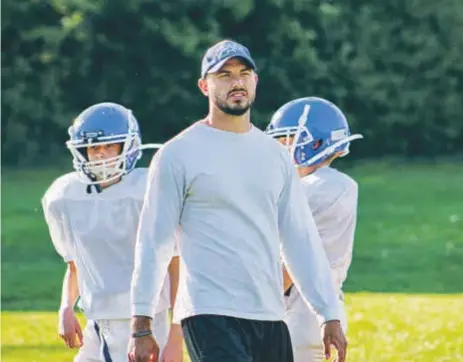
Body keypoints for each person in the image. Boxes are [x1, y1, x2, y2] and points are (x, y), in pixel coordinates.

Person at [128, 40, 347, 362]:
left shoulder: (276, 156)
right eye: (225, 75)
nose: (237, 82)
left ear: (255, 81)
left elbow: (300, 240)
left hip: (270, 315)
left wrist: (328, 313)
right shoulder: (178, 154)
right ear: (205, 85)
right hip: (208, 311)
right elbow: (154, 241)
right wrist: (141, 325)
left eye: (244, 73)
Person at [41, 102, 183, 362]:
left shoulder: (147, 189)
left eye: (110, 146)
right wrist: (66, 308)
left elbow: (176, 264)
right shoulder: (65, 195)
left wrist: (176, 335)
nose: (101, 155)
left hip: (147, 322)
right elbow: (76, 264)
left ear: (128, 147)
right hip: (97, 321)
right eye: (94, 147)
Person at [266, 96, 363, 361]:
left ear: (314, 143)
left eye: (286, 142)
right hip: (312, 309)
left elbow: (288, 264)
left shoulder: (321, 186)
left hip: (298, 312)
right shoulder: (328, 185)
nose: (280, 152)